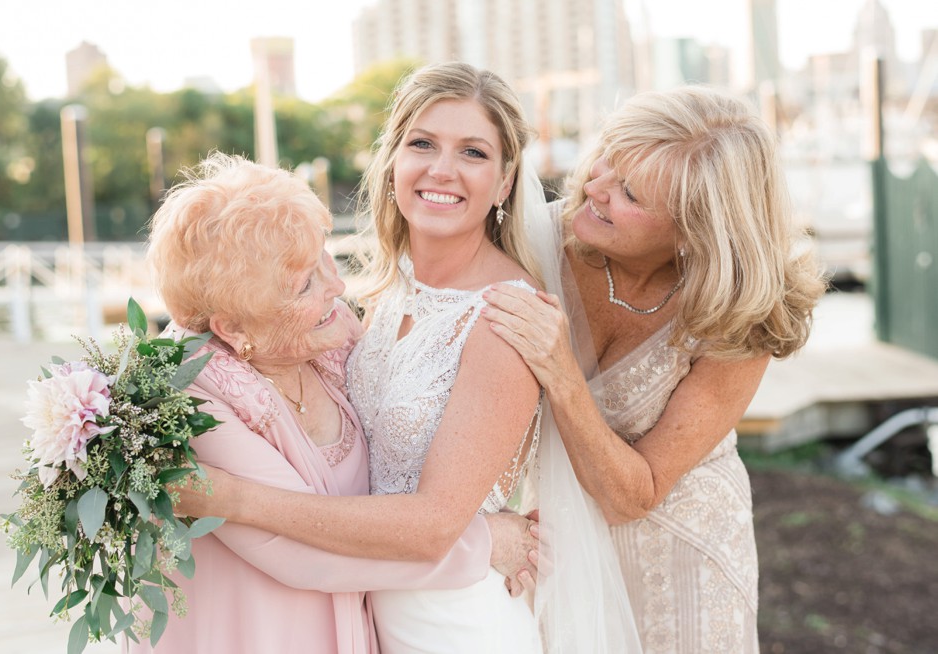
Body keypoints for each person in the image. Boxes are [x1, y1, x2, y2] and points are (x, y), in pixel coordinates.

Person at [174, 62, 641, 653]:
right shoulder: (381, 296)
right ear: (394, 161)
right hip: (367, 617)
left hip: (454, 627)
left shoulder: (502, 319)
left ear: (504, 183)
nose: (441, 169)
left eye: (473, 152)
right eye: (423, 143)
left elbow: (433, 526)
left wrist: (235, 498)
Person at [129, 151, 539, 654]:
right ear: (233, 327)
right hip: (250, 631)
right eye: (305, 284)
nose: (338, 287)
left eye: (326, 257)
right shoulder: (188, 394)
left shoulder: (333, 333)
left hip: (364, 624)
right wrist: (483, 544)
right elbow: (297, 554)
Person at [482, 84, 828, 653]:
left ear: (696, 231)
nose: (594, 189)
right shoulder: (530, 244)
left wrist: (562, 372)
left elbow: (634, 495)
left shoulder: (741, 311)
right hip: (560, 540)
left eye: (630, 194)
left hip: (686, 552)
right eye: (606, 161)